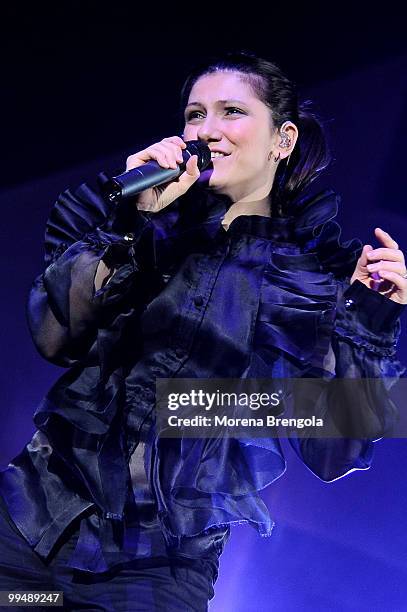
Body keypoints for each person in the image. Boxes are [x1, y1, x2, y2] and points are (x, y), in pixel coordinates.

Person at [0, 51, 406, 611]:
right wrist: (139, 226)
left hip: (159, 569)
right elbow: (54, 337)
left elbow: (335, 451)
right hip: (27, 526)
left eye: (231, 111)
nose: (206, 131)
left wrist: (371, 319)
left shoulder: (319, 278)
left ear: (282, 140)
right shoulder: (128, 216)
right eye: (194, 115)